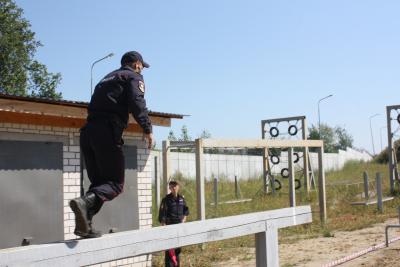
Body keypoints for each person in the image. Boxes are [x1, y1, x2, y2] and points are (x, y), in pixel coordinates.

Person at [69, 51, 154, 238]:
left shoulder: (106, 78)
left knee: (100, 185)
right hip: (107, 132)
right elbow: (137, 101)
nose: (142, 70)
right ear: (137, 64)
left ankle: (85, 226)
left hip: (88, 133)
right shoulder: (132, 76)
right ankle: (83, 204)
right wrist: (147, 129)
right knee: (115, 184)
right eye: (142, 66)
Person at [158, 181, 189, 267]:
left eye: (175, 186)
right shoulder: (166, 200)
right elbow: (162, 216)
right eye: (171, 187)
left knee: (177, 250)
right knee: (169, 251)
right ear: (169, 189)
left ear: (178, 187)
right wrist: (165, 229)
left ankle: (177, 265)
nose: (174, 188)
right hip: (170, 228)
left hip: (178, 229)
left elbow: (186, 211)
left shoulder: (182, 199)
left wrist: (183, 221)